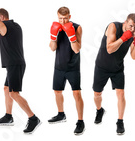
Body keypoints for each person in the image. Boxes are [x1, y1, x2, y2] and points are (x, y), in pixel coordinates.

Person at [92, 13, 135, 135]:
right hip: (102, 66)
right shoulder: (113, 26)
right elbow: (109, 49)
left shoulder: (133, 34)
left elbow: (134, 57)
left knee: (121, 94)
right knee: (97, 94)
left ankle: (120, 121)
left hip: (117, 68)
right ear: (125, 22)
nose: (132, 29)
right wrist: (124, 38)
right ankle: (99, 110)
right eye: (130, 26)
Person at [48, 6, 85, 135]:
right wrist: (53, 35)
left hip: (73, 67)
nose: (62, 21)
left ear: (69, 16)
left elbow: (77, 49)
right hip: (59, 66)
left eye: (65, 18)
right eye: (60, 18)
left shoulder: (77, 27)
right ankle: (61, 114)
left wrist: (71, 36)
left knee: (76, 94)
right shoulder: (56, 27)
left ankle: (80, 121)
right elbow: (52, 48)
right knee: (57, 91)